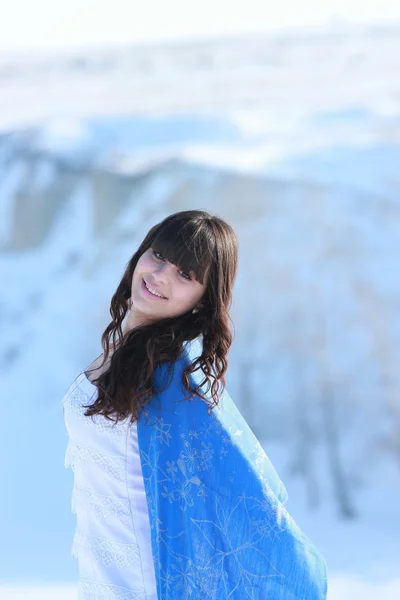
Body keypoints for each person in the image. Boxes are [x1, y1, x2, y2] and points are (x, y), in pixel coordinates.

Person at [62, 209, 328, 599]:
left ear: (204, 300)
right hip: (103, 576)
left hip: (144, 583)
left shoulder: (175, 380)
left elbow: (244, 492)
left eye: (185, 275)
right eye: (158, 256)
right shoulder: (126, 351)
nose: (160, 276)